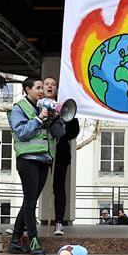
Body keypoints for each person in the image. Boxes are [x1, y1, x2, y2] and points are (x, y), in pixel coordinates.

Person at [7, 77, 65, 255]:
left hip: (44, 159)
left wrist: (55, 118)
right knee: (31, 202)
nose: (42, 91)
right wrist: (39, 119)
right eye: (38, 88)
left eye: (42, 88)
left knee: (29, 201)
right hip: (28, 159)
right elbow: (21, 132)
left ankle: (15, 240)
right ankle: (33, 240)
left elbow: (60, 133)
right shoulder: (19, 108)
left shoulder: (44, 107)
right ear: (27, 89)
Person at [42, 77, 81, 237]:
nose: (50, 86)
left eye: (53, 84)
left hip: (60, 152)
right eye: (47, 84)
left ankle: (59, 222)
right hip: (41, 151)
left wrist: (63, 122)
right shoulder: (37, 105)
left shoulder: (63, 107)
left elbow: (73, 132)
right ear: (42, 88)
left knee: (59, 188)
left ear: (57, 89)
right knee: (34, 188)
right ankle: (24, 223)